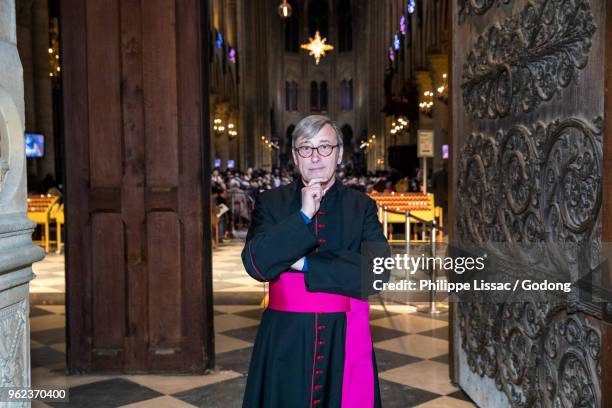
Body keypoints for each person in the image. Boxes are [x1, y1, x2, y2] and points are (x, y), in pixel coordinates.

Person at [241, 115, 391, 407]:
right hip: (285, 337)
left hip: (343, 335)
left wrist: (304, 264)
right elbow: (256, 264)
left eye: (324, 147)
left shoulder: (361, 207)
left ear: (339, 153)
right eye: (305, 148)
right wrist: (303, 216)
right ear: (295, 156)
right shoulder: (271, 203)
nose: (315, 157)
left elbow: (377, 273)